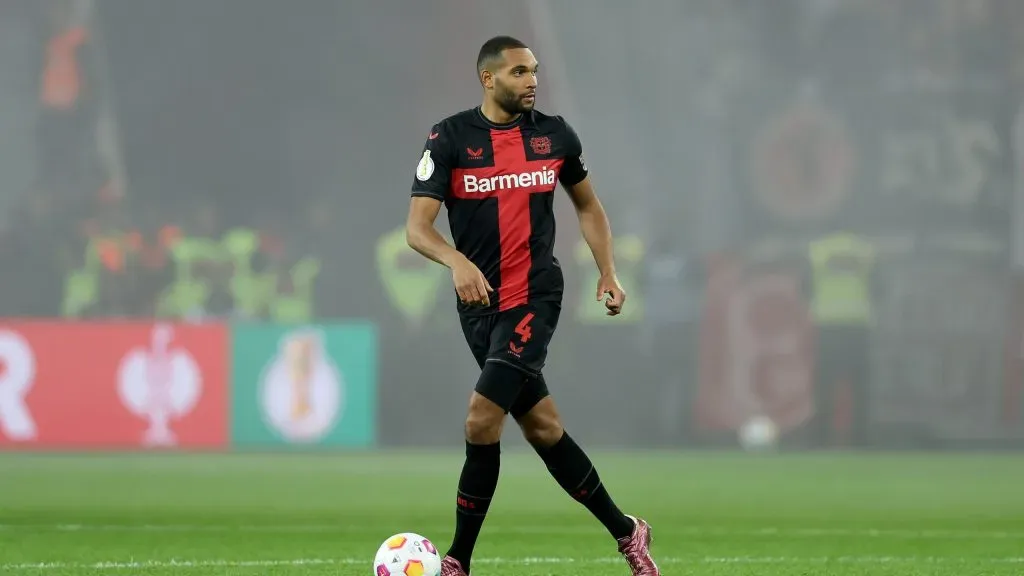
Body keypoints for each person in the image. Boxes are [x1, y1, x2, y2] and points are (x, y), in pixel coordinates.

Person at [405, 35, 660, 576]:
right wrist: (457, 262)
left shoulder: (554, 135)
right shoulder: (450, 138)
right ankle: (627, 531)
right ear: (488, 78)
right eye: (519, 72)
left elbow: (588, 207)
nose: (532, 81)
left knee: (481, 420)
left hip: (534, 296)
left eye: (535, 71)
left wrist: (608, 272)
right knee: (543, 428)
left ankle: (457, 560)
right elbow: (417, 229)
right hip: (478, 304)